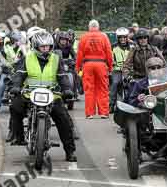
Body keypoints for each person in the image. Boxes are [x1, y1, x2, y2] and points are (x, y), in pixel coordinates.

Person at [8, 31, 77, 162]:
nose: (46, 49)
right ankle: (19, 137)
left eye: (48, 46)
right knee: (15, 107)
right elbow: (19, 73)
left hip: (52, 94)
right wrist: (16, 86)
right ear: (36, 46)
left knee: (64, 120)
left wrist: (67, 89)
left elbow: (62, 76)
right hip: (30, 94)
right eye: (42, 46)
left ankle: (70, 151)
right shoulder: (27, 57)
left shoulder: (56, 58)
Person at [76, 20, 113, 119]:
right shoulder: (104, 36)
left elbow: (79, 54)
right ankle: (104, 112)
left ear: (89, 27)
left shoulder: (84, 37)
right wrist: (110, 67)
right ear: (98, 27)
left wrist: (78, 67)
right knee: (103, 89)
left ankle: (90, 113)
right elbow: (109, 52)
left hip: (88, 65)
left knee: (89, 89)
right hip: (101, 65)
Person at [110, 28, 132, 112]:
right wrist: (112, 62)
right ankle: (111, 104)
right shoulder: (113, 47)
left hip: (129, 70)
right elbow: (109, 58)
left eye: (124, 37)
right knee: (115, 83)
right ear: (117, 38)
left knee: (133, 84)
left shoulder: (132, 46)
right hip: (117, 70)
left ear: (127, 37)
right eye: (120, 37)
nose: (122, 39)